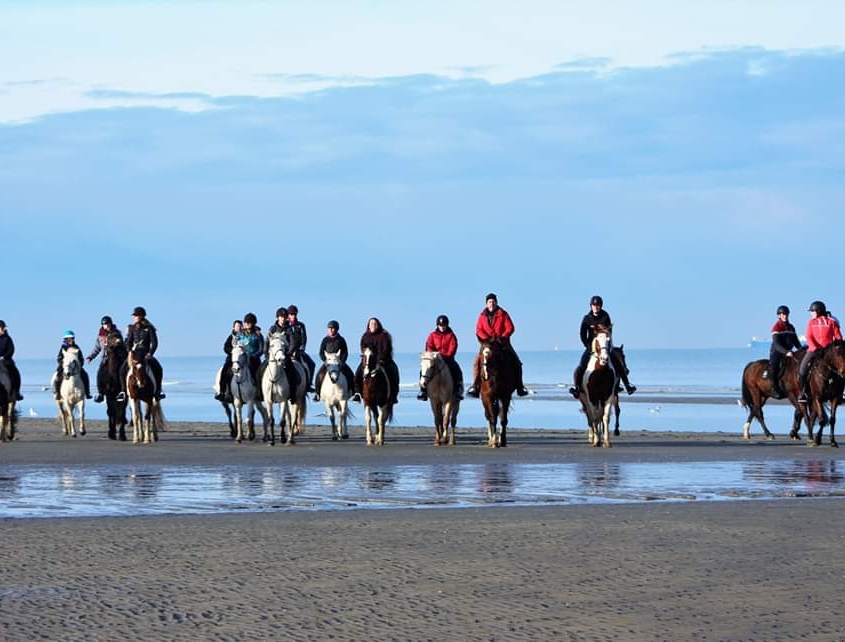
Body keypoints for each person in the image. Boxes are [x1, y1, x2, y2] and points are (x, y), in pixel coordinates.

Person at [569, 295, 637, 399]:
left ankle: (626, 385)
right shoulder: (587, 318)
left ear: (601, 306)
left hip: (604, 345)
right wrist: (587, 345)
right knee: (581, 365)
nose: (596, 307)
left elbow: (609, 331)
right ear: (591, 306)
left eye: (598, 305)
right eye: (594, 305)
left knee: (617, 362)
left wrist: (608, 345)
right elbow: (582, 334)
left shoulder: (605, 316)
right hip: (591, 346)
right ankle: (577, 388)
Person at [466, 293, 528, 398]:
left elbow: (510, 327)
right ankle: (475, 386)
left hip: (502, 343)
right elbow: (478, 330)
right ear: (486, 304)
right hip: (486, 344)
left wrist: (502, 337)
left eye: (493, 301)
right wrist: (486, 339)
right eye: (489, 302)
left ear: (496, 302)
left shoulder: (503, 314)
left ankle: (520, 386)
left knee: (517, 362)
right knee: (477, 362)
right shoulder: (482, 316)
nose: (492, 303)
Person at [798, 300, 842, 403]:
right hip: (814, 350)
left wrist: (835, 346)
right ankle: (803, 393)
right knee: (802, 369)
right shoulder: (810, 323)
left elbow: (838, 336)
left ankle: (840, 393)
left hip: (829, 352)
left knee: (842, 367)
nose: (811, 313)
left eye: (812, 311)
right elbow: (808, 337)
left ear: (818, 311)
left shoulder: (831, 322)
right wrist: (815, 348)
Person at [119, 306, 165, 402]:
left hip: (145, 355)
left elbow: (155, 343)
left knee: (158, 368)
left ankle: (158, 391)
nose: (135, 317)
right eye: (134, 315)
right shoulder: (131, 328)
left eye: (136, 315)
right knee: (122, 369)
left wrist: (150, 353)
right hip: (134, 355)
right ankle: (123, 391)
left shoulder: (149, 328)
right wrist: (129, 350)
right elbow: (128, 342)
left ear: (141, 316)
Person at [353, 317, 400, 404]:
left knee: (393, 371)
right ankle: (357, 393)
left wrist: (381, 359)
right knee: (358, 373)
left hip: (383, 360)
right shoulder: (365, 336)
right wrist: (366, 354)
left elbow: (386, 349)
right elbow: (363, 347)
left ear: (378, 325)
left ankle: (393, 395)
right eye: (371, 324)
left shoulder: (384, 336)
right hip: (369, 360)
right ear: (368, 326)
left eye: (375, 324)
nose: (373, 325)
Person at [417, 314, 464, 401]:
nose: (442, 327)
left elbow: (453, 347)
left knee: (456, 369)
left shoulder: (451, 335)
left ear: (447, 325)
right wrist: (433, 354)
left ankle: (458, 390)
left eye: (444, 325)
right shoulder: (432, 335)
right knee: (424, 369)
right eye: (440, 325)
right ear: (437, 325)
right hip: (435, 359)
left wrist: (445, 355)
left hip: (447, 359)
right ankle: (423, 390)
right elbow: (429, 346)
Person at [86, 315, 127, 403]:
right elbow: (97, 348)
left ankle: (122, 391)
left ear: (111, 324)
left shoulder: (116, 333)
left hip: (116, 358)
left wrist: (117, 343)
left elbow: (120, 344)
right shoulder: (100, 336)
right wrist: (90, 357)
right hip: (105, 359)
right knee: (99, 373)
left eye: (107, 324)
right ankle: (100, 393)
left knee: (121, 372)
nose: (106, 325)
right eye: (104, 324)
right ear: (102, 325)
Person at [313, 320, 356, 402]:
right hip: (328, 362)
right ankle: (317, 394)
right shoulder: (325, 340)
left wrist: (342, 362)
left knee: (350, 373)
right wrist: (325, 361)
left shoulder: (341, 340)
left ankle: (353, 392)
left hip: (338, 361)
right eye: (329, 328)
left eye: (333, 328)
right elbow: (321, 352)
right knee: (319, 375)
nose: (331, 330)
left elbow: (345, 352)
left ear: (336, 329)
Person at [768, 305, 802, 399]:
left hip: (789, 353)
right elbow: (776, 344)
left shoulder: (791, 327)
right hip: (777, 352)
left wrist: (802, 350)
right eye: (782, 314)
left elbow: (796, 342)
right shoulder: (776, 327)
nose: (784, 316)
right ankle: (774, 388)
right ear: (779, 315)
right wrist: (786, 352)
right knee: (774, 368)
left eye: (786, 314)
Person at [283, 305, 316, 392]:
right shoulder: (285, 326)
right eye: (291, 314)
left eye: (294, 314)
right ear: (288, 315)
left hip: (298, 351)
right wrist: (288, 351)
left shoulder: (301, 325)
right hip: (286, 352)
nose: (293, 316)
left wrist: (301, 349)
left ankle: (308, 384)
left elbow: (304, 338)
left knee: (311, 364)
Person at [53, 330, 92, 400]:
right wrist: (63, 364)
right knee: (57, 377)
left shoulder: (76, 347)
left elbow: (81, 358)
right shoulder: (63, 348)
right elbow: (59, 358)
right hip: (64, 367)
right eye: (69, 338)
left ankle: (87, 393)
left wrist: (80, 365)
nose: (71, 340)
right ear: (65, 339)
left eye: (72, 338)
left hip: (76, 367)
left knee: (85, 375)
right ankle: (57, 393)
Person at [214, 319, 242, 402]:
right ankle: (222, 392)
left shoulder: (244, 336)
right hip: (232, 359)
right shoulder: (231, 337)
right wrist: (232, 351)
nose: (239, 328)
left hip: (242, 359)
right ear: (234, 327)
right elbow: (225, 347)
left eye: (240, 326)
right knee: (224, 371)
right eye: (237, 326)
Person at [234, 313, 264, 386]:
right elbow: (235, 345)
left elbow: (261, 349)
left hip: (253, 360)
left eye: (249, 322)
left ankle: (258, 391)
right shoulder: (239, 334)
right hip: (241, 358)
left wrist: (253, 356)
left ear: (253, 323)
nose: (247, 324)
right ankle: (226, 391)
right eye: (246, 322)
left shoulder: (258, 335)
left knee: (258, 375)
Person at [0, 320, 24, 401]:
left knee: (15, 373)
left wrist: (4, 357)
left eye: (4, 328)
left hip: (5, 361)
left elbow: (11, 349)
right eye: (2, 328)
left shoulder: (8, 338)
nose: (4, 329)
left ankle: (16, 393)